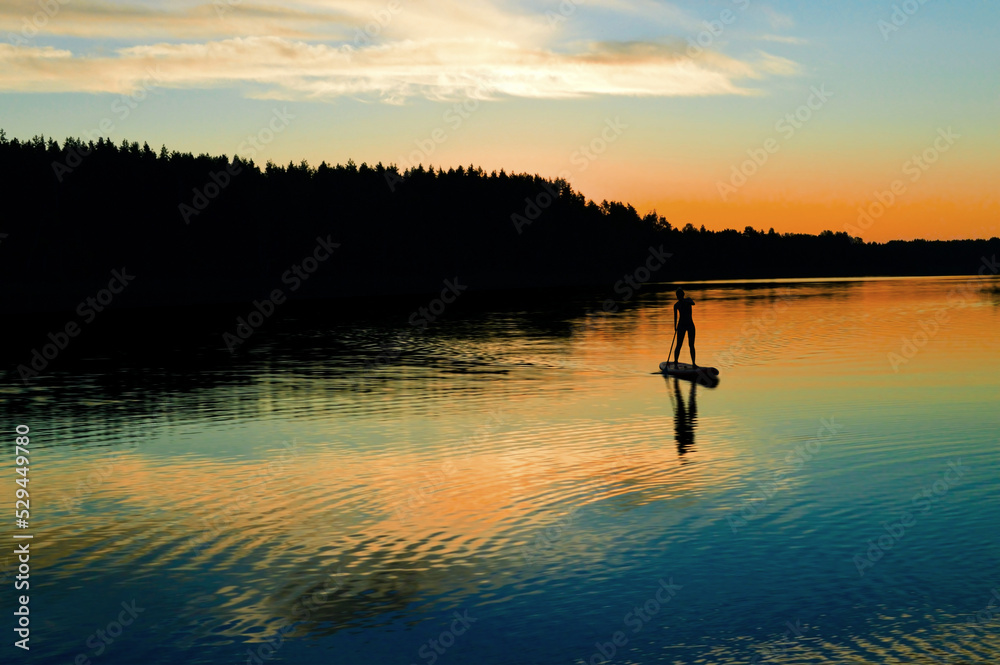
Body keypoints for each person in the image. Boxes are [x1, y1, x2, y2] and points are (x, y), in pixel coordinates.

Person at [673, 288, 696, 367]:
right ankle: (675, 362)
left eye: (680, 295)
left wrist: (684, 301)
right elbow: (675, 317)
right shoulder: (676, 305)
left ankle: (693, 363)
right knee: (679, 344)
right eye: (678, 296)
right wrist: (675, 327)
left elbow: (693, 303)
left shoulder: (688, 300)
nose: (678, 297)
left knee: (691, 345)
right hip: (681, 325)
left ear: (683, 295)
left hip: (690, 325)